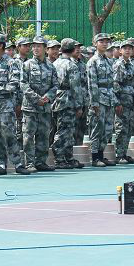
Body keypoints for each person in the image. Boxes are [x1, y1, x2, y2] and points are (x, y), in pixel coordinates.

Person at [0, 33, 29, 174]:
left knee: (9, 135)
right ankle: (1, 165)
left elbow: (14, 84)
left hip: (6, 106)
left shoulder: (12, 62)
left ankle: (17, 164)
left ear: (0, 46)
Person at [21, 36, 58, 172]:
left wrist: (47, 97)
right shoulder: (27, 65)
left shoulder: (51, 66)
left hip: (45, 107)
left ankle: (41, 161)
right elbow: (23, 84)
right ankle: (29, 163)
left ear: (45, 48)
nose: (35, 48)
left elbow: (55, 85)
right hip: (30, 107)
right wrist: (37, 98)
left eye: (39, 46)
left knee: (43, 135)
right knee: (28, 136)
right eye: (34, 46)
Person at [51, 38, 85, 169]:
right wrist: (79, 105)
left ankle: (68, 157)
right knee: (65, 131)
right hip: (68, 100)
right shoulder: (71, 65)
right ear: (71, 50)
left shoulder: (55, 63)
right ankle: (60, 158)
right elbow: (75, 87)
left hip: (57, 98)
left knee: (64, 130)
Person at [87, 33, 116, 167]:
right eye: (101, 41)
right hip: (99, 99)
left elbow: (112, 82)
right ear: (95, 43)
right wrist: (94, 103)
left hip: (109, 98)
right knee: (97, 128)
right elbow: (92, 83)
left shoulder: (109, 60)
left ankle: (101, 154)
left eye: (106, 42)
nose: (104, 44)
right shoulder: (93, 61)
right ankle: (95, 157)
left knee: (108, 129)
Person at [112, 39, 134, 163]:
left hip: (130, 100)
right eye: (125, 48)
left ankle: (124, 152)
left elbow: (133, 83)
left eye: (130, 48)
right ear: (120, 51)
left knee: (129, 127)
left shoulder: (131, 64)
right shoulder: (118, 65)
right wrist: (117, 102)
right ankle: (119, 154)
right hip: (122, 101)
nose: (128, 50)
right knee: (121, 128)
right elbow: (115, 84)